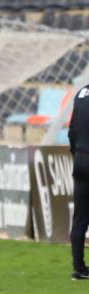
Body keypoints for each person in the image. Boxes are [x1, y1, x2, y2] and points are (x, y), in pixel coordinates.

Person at [68, 82, 89, 280]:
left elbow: (72, 129)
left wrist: (77, 154)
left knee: (80, 217)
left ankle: (79, 268)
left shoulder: (81, 92)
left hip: (81, 159)